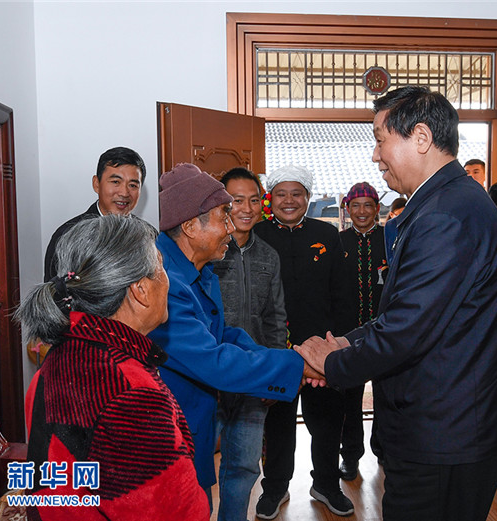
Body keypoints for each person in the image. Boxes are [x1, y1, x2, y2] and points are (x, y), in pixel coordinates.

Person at [296, 86, 497, 521]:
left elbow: (406, 330)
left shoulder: (445, 215)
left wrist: (331, 363)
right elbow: (402, 313)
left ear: (420, 138)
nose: (375, 156)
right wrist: (344, 342)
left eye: (380, 140)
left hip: (443, 432)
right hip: (440, 424)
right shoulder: (442, 203)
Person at [147, 163, 317, 508]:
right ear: (190, 226)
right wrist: (299, 366)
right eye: (224, 215)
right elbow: (213, 360)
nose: (232, 225)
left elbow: (223, 334)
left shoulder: (198, 269)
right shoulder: (164, 281)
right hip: (169, 428)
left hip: (198, 414)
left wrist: (281, 359)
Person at [17, 215, 210, 520]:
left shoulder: (61, 355)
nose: (168, 280)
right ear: (140, 289)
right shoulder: (129, 393)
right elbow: (176, 512)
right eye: (161, 267)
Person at [254, 165, 354, 519]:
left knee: (327, 421)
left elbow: (343, 294)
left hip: (321, 349)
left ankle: (326, 484)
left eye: (297, 193)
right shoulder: (257, 234)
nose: (289, 201)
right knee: (277, 422)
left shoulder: (327, 234)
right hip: (275, 348)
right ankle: (275, 488)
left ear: (308, 197)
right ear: (271, 199)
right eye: (281, 194)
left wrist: (338, 345)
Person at [212, 167, 288, 521]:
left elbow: (275, 319)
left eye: (254, 200)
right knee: (195, 465)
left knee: (243, 467)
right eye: (236, 200)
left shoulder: (269, 256)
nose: (246, 208)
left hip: (252, 377)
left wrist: (274, 374)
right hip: (209, 378)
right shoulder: (207, 250)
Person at [338, 182, 387, 480]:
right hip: (348, 332)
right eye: (355, 206)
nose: (362, 211)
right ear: (347, 209)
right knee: (350, 399)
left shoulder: (390, 240)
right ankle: (350, 455)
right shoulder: (338, 242)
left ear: (377, 209)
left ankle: (384, 449)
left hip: (387, 332)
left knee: (386, 395)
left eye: (368, 205)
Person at [43, 146, 146, 282]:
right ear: (96, 184)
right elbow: (53, 291)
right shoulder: (67, 235)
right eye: (116, 182)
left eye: (133, 185)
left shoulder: (148, 236)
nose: (124, 193)